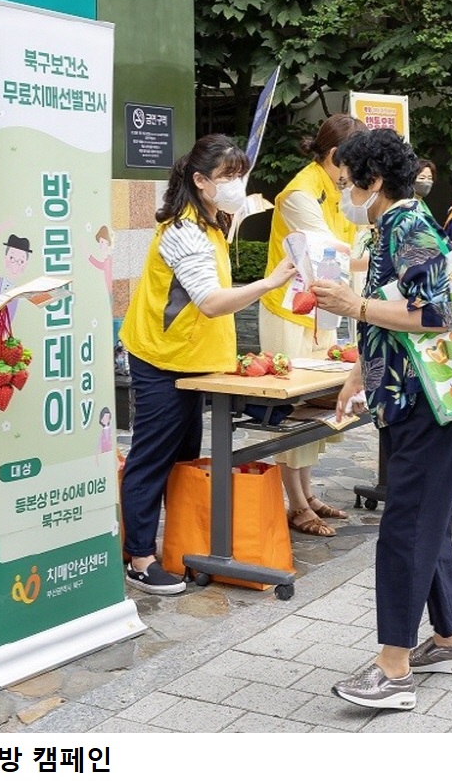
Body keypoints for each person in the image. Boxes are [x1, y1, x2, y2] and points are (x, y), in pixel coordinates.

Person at [312, 129, 452, 710]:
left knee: (405, 528)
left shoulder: (407, 226)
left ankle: (393, 670)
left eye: (345, 183)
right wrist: (361, 371)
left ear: (372, 182)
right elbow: (393, 316)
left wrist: (351, 305)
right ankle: (451, 640)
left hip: (428, 407)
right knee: (426, 521)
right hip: (412, 400)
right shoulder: (389, 226)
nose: (342, 193)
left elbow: (434, 314)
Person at [119, 134, 296, 594]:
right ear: (199, 180)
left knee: (183, 459)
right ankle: (139, 558)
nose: (237, 184)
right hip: (162, 359)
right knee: (152, 459)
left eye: (241, 175)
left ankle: (178, 544)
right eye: (227, 177)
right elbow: (213, 302)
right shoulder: (184, 232)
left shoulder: (210, 222)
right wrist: (269, 281)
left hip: (195, 361)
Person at [259, 114, 366, 537]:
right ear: (337, 156)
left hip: (323, 308)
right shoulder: (299, 194)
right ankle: (297, 504)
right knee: (294, 408)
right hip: (289, 311)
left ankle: (306, 492)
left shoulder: (333, 187)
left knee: (316, 403)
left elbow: (352, 244)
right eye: (354, 163)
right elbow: (336, 249)